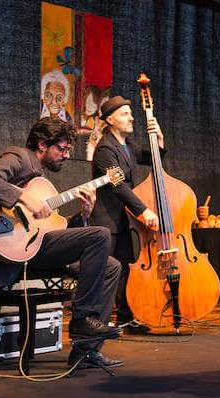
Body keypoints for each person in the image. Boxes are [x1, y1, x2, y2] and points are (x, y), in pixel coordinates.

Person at [0, 117, 124, 370]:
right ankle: (82, 319)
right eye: (62, 149)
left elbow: (54, 228)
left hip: (36, 246)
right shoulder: (19, 158)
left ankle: (86, 350)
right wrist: (23, 199)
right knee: (101, 235)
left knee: (111, 266)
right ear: (42, 144)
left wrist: (84, 215)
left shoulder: (39, 179)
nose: (66, 155)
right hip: (14, 249)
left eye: (68, 150)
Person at [89, 95, 165, 334]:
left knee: (124, 270)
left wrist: (159, 139)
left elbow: (153, 158)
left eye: (131, 113)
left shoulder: (128, 145)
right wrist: (143, 209)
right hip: (106, 220)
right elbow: (118, 184)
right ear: (110, 120)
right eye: (125, 114)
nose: (132, 117)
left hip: (122, 219)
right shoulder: (104, 148)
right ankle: (96, 321)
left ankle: (125, 319)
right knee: (104, 272)